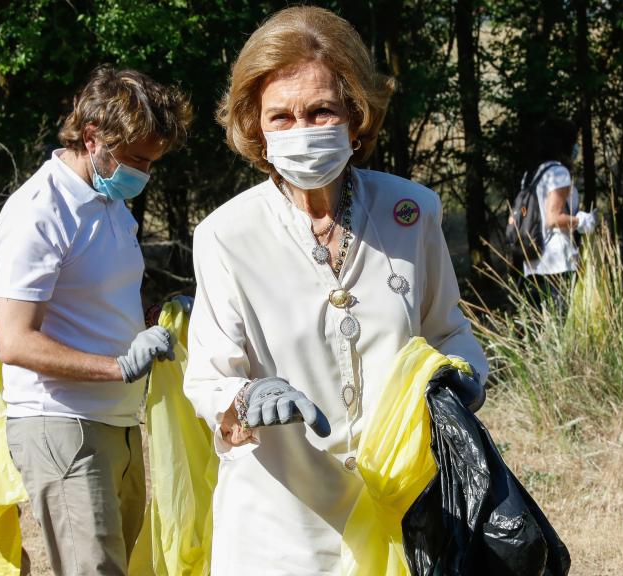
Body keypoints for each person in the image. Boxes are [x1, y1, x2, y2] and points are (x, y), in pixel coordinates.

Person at [184, 7, 488, 574]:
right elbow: (206, 377)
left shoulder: (410, 213)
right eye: (281, 117)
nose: (301, 131)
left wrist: (460, 382)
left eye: (321, 110)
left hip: (402, 516)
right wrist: (249, 397)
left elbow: (449, 330)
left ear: (356, 113)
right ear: (255, 127)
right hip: (279, 530)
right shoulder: (225, 236)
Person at [0, 66, 191, 576]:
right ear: (92, 138)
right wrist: (118, 367)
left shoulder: (111, 203)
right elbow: (14, 341)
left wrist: (156, 317)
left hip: (118, 421)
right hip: (63, 423)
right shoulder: (40, 210)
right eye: (137, 159)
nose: (145, 172)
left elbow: (98, 302)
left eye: (152, 161)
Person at [521, 117, 597, 309]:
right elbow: (553, 218)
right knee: (560, 326)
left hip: (532, 262)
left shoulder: (532, 174)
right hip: (557, 262)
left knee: (540, 330)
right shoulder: (559, 173)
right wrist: (582, 221)